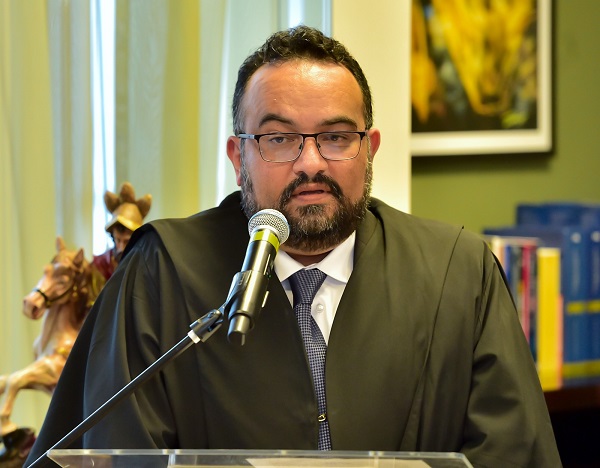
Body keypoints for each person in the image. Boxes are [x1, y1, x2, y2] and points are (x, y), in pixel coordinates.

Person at [26, 25, 561, 467]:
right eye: (279, 138)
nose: (310, 162)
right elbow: (116, 452)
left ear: (369, 150)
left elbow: (514, 453)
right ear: (239, 158)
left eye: (336, 137)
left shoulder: (458, 275)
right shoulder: (160, 274)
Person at [92, 182, 152, 280]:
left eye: (127, 241)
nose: (121, 248)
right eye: (118, 240)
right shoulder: (100, 265)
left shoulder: (147, 266)